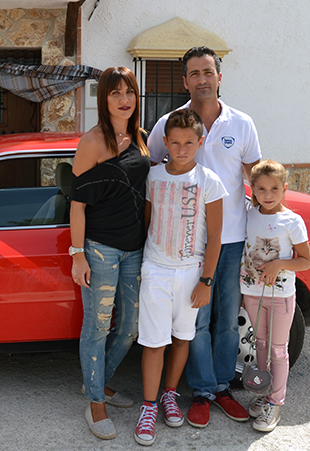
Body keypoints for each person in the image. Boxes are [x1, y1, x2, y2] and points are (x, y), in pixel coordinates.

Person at [147, 46, 261, 428]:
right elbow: (154, 175)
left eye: (207, 72)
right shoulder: (168, 124)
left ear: (219, 77)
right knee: (195, 323)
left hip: (230, 240)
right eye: (194, 73)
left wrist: (278, 219)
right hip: (187, 247)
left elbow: (256, 179)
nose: (201, 79)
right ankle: (202, 391)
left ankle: (223, 387)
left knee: (227, 320)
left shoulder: (242, 124)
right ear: (185, 81)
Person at [134, 108, 227, 446]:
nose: (182, 148)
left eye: (189, 142)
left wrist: (206, 280)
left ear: (200, 143)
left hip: (191, 274)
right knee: (153, 341)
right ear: (165, 143)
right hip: (156, 269)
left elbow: (215, 236)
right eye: (175, 142)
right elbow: (146, 222)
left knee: (182, 337)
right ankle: (148, 407)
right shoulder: (153, 177)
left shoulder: (209, 182)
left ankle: (169, 394)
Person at [70, 66, 150, 440]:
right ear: (103, 98)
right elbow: (78, 203)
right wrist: (77, 254)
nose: (124, 100)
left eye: (129, 92)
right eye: (115, 93)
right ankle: (95, 403)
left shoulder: (141, 139)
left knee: (130, 327)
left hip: (134, 249)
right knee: (98, 326)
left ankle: (98, 383)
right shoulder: (92, 141)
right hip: (100, 250)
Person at [241, 160, 310, 432]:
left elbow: (305, 261)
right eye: (261, 189)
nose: (267, 195)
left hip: (281, 294)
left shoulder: (292, 221)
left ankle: (275, 401)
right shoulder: (249, 214)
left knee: (278, 349)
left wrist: (278, 264)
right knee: (259, 343)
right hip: (251, 291)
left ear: (285, 189)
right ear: (253, 189)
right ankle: (262, 390)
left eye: (274, 188)